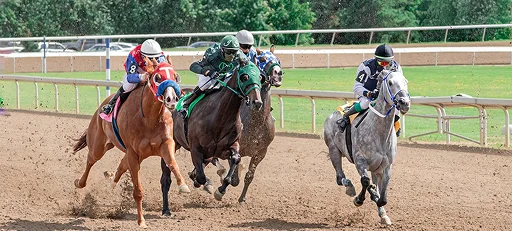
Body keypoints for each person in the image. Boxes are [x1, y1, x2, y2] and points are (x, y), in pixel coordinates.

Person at [337, 44, 403, 137]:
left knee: (396, 106)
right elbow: (357, 86)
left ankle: (396, 124)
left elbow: (398, 85)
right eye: (382, 63)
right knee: (365, 104)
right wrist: (368, 93)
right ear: (376, 59)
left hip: (385, 95)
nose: (384, 66)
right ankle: (345, 117)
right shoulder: (366, 67)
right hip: (367, 93)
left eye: (387, 63)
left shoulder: (396, 68)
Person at [178, 35, 248, 117]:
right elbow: (193, 66)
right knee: (206, 85)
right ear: (222, 49)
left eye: (234, 52)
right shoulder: (212, 54)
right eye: (228, 52)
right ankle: (187, 104)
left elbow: (249, 68)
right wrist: (208, 72)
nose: (232, 55)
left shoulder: (241, 56)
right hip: (209, 74)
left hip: (225, 74)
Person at [102, 39, 165, 115]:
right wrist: (142, 77)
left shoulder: (160, 55)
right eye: (151, 58)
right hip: (138, 71)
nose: (154, 60)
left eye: (156, 58)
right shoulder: (134, 56)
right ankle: (111, 104)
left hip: (153, 71)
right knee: (128, 86)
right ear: (143, 55)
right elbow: (130, 77)